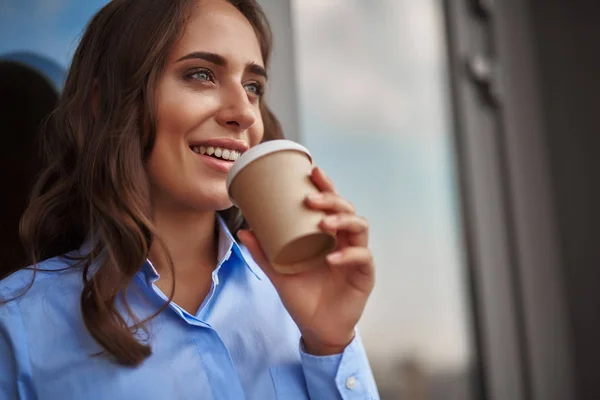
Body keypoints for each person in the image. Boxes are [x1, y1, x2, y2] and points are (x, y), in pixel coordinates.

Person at [0, 0, 380, 398]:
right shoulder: (18, 328)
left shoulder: (298, 303)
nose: (244, 113)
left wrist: (332, 345)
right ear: (105, 101)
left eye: (253, 87)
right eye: (201, 74)